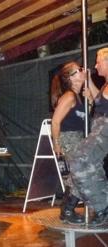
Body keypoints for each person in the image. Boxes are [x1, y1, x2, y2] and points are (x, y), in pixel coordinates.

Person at [67, 47, 108, 225]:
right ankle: (67, 207)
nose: (95, 65)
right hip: (99, 127)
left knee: (80, 160)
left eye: (98, 61)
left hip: (105, 128)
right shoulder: (106, 84)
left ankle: (102, 207)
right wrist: (89, 79)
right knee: (86, 163)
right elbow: (99, 98)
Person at [51, 61, 86, 224]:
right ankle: (67, 210)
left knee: (78, 177)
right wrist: (57, 144)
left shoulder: (78, 95)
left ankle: (66, 210)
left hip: (79, 138)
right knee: (79, 177)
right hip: (69, 139)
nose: (83, 70)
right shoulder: (69, 96)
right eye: (79, 70)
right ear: (71, 78)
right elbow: (55, 121)